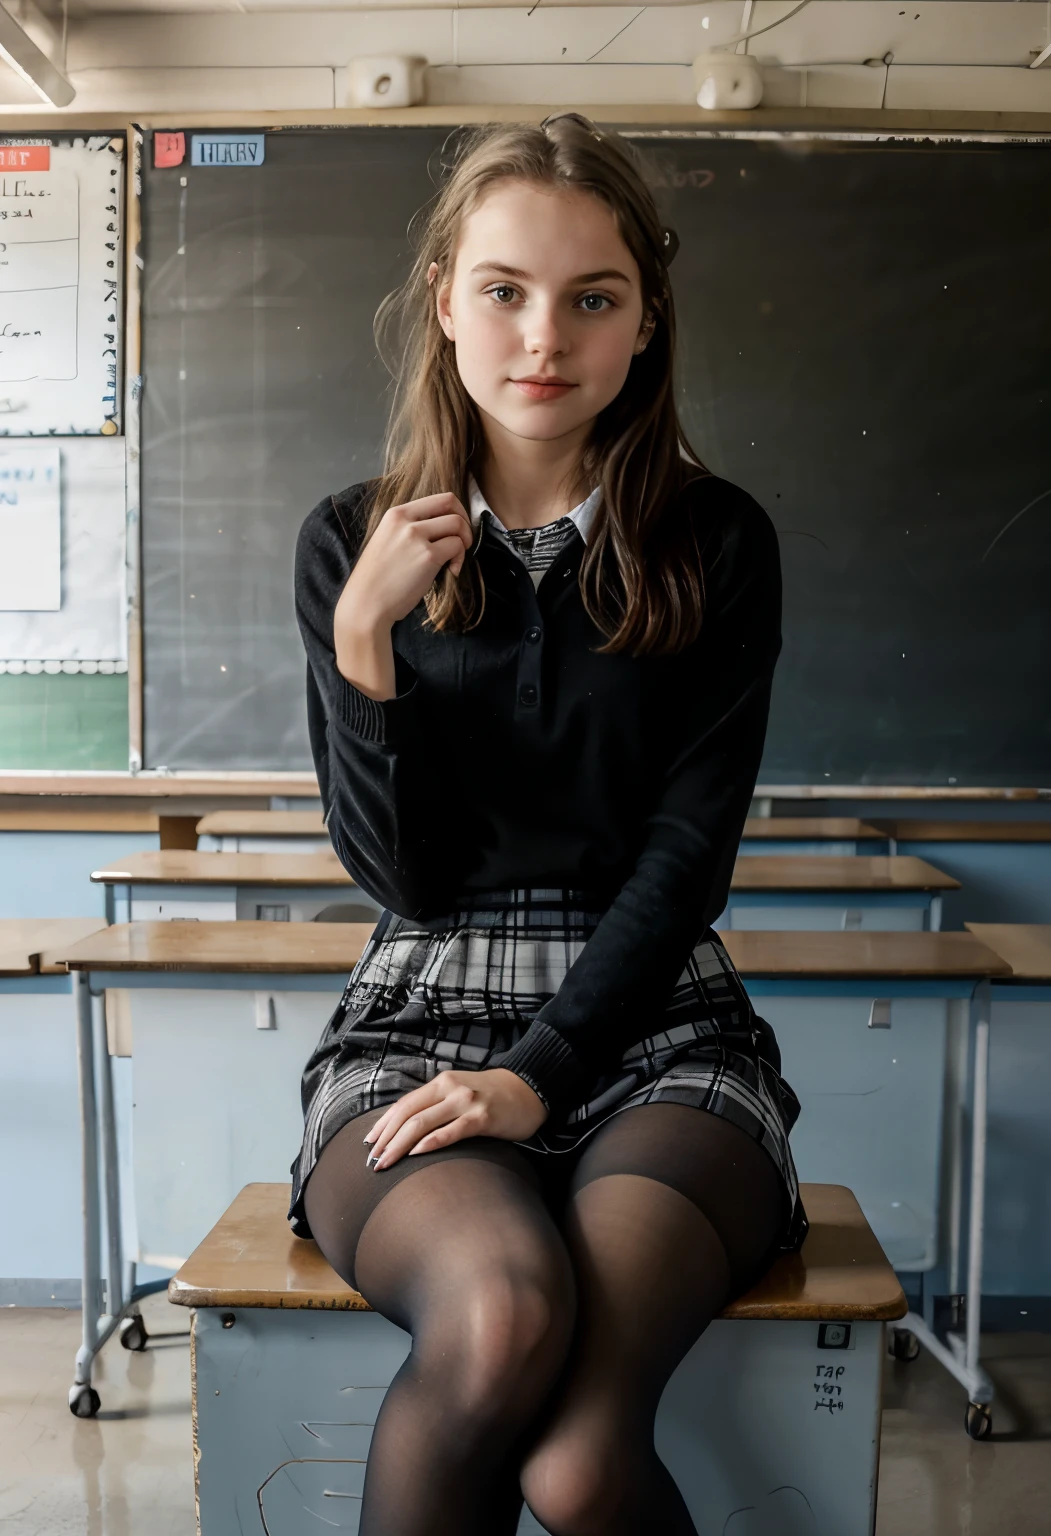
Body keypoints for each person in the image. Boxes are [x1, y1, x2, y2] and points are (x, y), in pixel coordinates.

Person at [288, 111, 807, 1536]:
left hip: (656, 1019)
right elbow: (403, 874)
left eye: (595, 297)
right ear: (445, 298)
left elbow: (685, 860)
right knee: (500, 1317)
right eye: (506, 290)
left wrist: (542, 1074)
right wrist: (361, 641)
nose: (545, 337)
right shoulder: (354, 541)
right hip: (422, 1011)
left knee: (577, 1467)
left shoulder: (715, 543)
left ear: (646, 322)